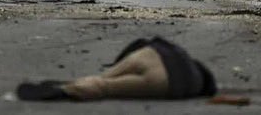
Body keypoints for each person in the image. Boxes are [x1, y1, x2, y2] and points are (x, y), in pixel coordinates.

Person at [16, 37, 217, 100]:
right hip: (166, 81)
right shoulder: (196, 84)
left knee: (104, 77)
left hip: (150, 54)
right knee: (106, 88)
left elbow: (141, 43)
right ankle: (67, 90)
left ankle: (84, 81)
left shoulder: (181, 53)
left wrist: (117, 63)